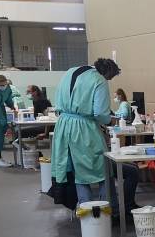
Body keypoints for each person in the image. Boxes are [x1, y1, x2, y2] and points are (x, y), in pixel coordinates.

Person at [50, 58, 122, 207]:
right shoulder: (99, 80)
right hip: (84, 128)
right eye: (110, 78)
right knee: (102, 168)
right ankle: (107, 208)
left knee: (77, 170)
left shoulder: (70, 72)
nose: (108, 81)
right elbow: (100, 113)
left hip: (63, 125)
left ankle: (84, 209)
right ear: (107, 73)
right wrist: (110, 121)